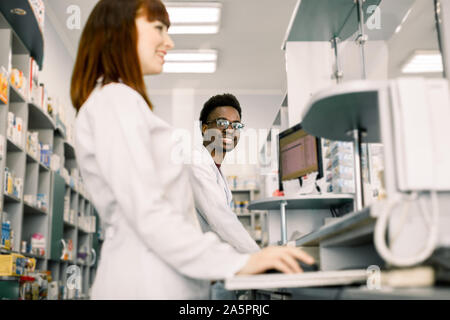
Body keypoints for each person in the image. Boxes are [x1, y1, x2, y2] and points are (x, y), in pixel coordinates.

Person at [71, 0, 314, 300]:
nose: (169, 42)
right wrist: (245, 261)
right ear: (121, 29)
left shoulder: (117, 101)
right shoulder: (115, 100)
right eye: (159, 28)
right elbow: (150, 213)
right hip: (143, 285)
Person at [190, 94, 260, 299]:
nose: (229, 130)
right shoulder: (196, 163)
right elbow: (220, 219)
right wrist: (259, 257)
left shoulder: (215, 170)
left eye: (236, 125)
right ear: (204, 128)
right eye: (222, 123)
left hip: (213, 271)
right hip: (201, 279)